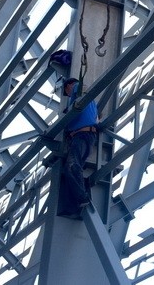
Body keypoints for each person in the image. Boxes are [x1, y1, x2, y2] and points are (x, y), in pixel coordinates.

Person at [58, 77, 98, 219]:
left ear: (68, 86)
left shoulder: (76, 87)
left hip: (82, 135)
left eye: (66, 92)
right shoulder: (92, 104)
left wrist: (68, 111)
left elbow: (80, 89)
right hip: (86, 135)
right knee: (73, 168)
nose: (68, 94)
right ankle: (74, 205)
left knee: (72, 166)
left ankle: (82, 198)